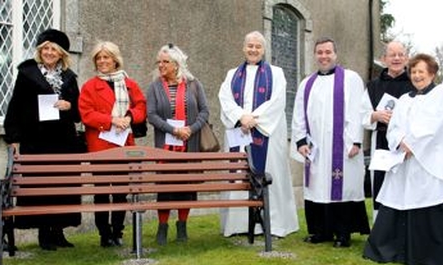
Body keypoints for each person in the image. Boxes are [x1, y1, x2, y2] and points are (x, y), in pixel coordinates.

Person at [363, 53, 443, 265]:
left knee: (430, 202)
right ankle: (398, 251)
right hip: (405, 162)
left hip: (431, 162)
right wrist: (400, 142)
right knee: (399, 201)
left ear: (431, 73)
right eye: (414, 72)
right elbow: (394, 127)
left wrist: (413, 144)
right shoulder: (404, 99)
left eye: (421, 71)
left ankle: (430, 255)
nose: (417, 76)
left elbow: (436, 124)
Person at [3, 29, 85, 251]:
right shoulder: (27, 73)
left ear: (61, 54)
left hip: (64, 141)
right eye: (45, 48)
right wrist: (13, 138)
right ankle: (44, 234)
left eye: (53, 49)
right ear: (40, 51)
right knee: (42, 187)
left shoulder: (69, 77)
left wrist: (69, 106)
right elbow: (15, 107)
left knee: (62, 187)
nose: (49, 52)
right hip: (36, 140)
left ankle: (58, 232)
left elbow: (79, 112)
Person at [290, 37, 370, 247]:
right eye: (320, 52)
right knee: (317, 189)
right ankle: (320, 232)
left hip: (342, 147)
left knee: (342, 189)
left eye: (328, 52)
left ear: (336, 54)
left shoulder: (351, 79)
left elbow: (357, 110)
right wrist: (300, 141)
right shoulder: (307, 83)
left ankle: (343, 234)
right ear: (315, 55)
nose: (324, 56)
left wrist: (355, 141)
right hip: (315, 147)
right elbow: (298, 114)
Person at [218, 31, 298, 238]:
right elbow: (225, 99)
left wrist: (253, 119)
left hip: (266, 134)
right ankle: (238, 225)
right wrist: (240, 118)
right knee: (238, 176)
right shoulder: (231, 74)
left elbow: (277, 101)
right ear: (244, 48)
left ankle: (274, 224)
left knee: (270, 175)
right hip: (239, 133)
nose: (253, 50)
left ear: (264, 50)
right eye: (250, 46)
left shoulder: (277, 74)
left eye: (258, 46)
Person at [79, 41, 147, 247]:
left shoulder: (129, 84)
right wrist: (110, 120)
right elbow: (86, 113)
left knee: (120, 191)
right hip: (100, 145)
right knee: (101, 192)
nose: (102, 61)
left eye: (106, 57)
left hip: (123, 144)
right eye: (99, 58)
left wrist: (129, 116)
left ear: (115, 59)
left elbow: (141, 106)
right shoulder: (90, 86)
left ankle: (117, 231)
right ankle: (103, 234)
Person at [146, 44, 209, 245]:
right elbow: (151, 115)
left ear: (176, 64)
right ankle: (162, 227)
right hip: (165, 147)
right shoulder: (155, 86)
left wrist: (190, 129)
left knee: (187, 188)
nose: (161, 65)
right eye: (159, 61)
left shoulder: (193, 84)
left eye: (165, 62)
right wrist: (173, 130)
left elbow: (204, 111)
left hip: (189, 145)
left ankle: (182, 226)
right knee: (165, 189)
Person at [360, 41, 414, 222]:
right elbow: (362, 114)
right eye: (392, 55)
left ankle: (405, 229)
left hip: (406, 143)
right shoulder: (373, 86)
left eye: (400, 54)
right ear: (384, 59)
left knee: (404, 182)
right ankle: (380, 231)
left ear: (407, 58)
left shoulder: (415, 84)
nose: (397, 58)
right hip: (381, 141)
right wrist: (375, 115)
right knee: (381, 183)